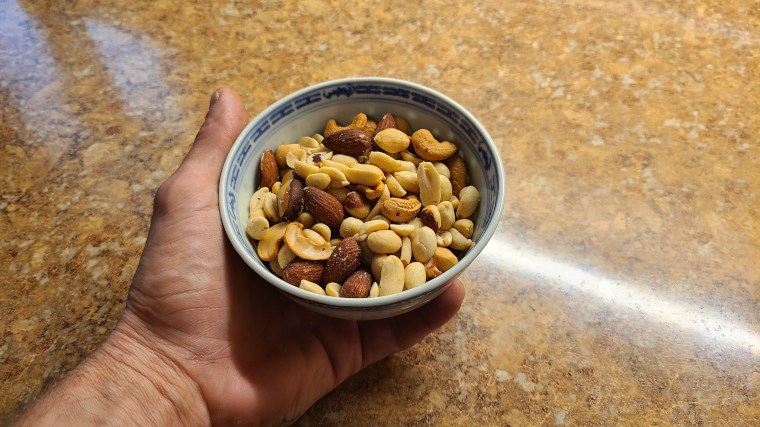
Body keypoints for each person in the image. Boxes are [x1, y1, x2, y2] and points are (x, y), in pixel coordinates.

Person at [17, 88, 465, 426]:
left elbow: (395, 233)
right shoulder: (299, 198)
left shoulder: (390, 200)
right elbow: (311, 221)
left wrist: (162, 375)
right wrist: (160, 362)